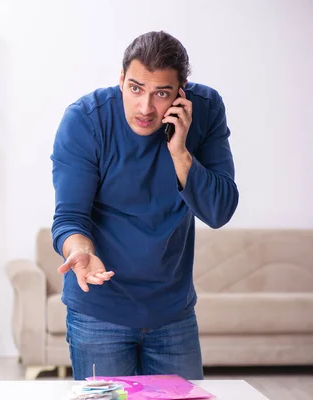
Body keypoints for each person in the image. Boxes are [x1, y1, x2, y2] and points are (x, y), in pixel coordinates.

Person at [50, 30, 239, 381]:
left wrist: (180, 152)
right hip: (99, 312)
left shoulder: (207, 110)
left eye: (161, 93)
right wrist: (80, 250)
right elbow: (69, 218)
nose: (145, 107)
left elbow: (219, 211)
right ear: (121, 79)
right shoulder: (85, 121)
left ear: (182, 92)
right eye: (135, 88)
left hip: (173, 313)